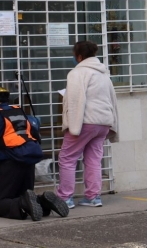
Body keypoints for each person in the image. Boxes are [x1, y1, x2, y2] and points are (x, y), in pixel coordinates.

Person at [0, 86, 69, 221]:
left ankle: (24, 203)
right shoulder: (22, 115)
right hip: (28, 163)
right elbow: (36, 136)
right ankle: (43, 201)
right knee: (25, 197)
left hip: (9, 164)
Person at [57, 40, 119, 209]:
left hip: (84, 122)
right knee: (93, 160)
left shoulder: (78, 73)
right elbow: (112, 99)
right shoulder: (103, 73)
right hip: (103, 122)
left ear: (79, 56)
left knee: (67, 158)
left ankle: (65, 198)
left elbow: (76, 100)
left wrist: (72, 126)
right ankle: (93, 197)